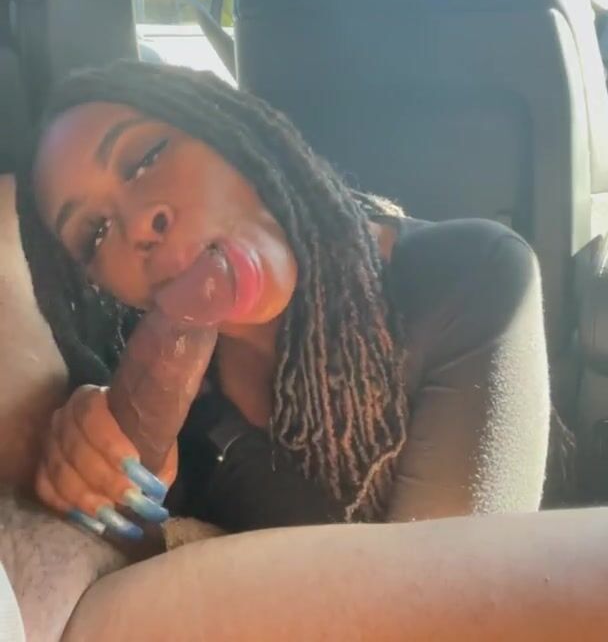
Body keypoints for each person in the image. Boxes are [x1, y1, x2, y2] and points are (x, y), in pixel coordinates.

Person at [16, 58, 550, 542]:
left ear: (226, 130)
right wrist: (97, 470)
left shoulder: (469, 276)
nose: (137, 225)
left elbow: (455, 589)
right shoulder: (157, 394)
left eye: (145, 158)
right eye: (95, 234)